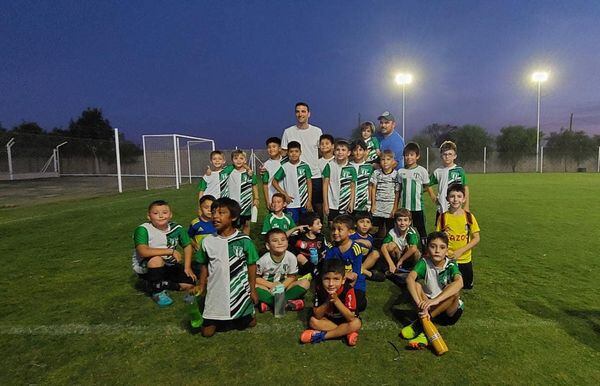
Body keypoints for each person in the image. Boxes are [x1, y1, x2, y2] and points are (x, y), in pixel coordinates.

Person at [195, 198, 259, 337]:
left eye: (221, 213)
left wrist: (252, 289)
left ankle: (240, 314)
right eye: (213, 213)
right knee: (207, 333)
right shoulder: (207, 241)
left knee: (249, 324)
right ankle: (219, 317)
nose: (215, 216)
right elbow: (204, 264)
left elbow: (252, 265)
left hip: (239, 291)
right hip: (216, 291)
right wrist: (201, 285)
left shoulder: (244, 240)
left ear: (233, 217)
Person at [401, 231, 464, 349]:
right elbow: (410, 278)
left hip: (449, 310)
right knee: (416, 286)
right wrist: (420, 304)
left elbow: (460, 282)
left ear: (446, 250)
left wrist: (435, 300)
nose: (437, 250)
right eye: (433, 246)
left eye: (442, 247)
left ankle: (419, 325)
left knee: (454, 290)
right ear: (427, 248)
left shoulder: (450, 264)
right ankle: (425, 325)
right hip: (428, 306)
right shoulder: (424, 262)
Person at [132, 200, 195, 307]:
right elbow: (143, 252)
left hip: (168, 264)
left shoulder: (177, 228)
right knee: (156, 259)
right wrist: (170, 251)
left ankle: (161, 284)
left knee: (190, 284)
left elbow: (187, 246)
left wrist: (187, 267)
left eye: (165, 213)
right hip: (147, 266)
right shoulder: (143, 229)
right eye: (156, 213)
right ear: (149, 216)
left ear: (170, 215)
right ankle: (157, 292)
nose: (161, 216)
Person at [299, 259, 362, 346]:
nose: (331, 284)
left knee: (356, 323)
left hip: (345, 321)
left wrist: (336, 301)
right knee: (313, 321)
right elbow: (317, 315)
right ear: (321, 278)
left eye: (336, 279)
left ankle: (321, 336)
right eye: (327, 279)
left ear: (343, 280)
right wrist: (328, 301)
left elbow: (351, 318)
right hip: (328, 321)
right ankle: (345, 333)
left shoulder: (348, 290)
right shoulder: (319, 288)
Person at [435, 183, 480, 289]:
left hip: (465, 259)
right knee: (448, 287)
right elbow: (438, 239)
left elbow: (477, 238)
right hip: (448, 259)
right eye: (452, 196)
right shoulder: (442, 218)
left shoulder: (469, 217)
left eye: (459, 196)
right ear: (447, 198)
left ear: (464, 199)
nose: (455, 199)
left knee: (466, 286)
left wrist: (460, 251)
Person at [255, 229, 310, 313]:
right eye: (275, 240)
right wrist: (272, 285)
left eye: (283, 240)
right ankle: (285, 304)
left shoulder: (291, 257)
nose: (280, 243)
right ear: (268, 246)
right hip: (268, 288)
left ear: (287, 242)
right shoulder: (263, 260)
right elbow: (255, 278)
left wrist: (281, 286)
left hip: (285, 286)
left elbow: (292, 276)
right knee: (252, 286)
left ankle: (271, 304)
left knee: (305, 282)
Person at [281, 102, 323, 209]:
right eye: (297, 111)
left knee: (317, 207)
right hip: (295, 177)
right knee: (299, 208)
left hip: (314, 175)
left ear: (309, 114)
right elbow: (283, 154)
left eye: (303, 111)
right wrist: (269, 167)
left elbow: (323, 152)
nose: (300, 114)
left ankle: (319, 226)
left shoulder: (317, 131)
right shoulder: (288, 132)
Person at [325, 215, 367, 313]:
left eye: (340, 230)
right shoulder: (331, 247)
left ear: (350, 232)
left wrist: (348, 291)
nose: (335, 233)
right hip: (336, 282)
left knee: (359, 305)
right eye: (333, 229)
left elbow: (355, 275)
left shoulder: (355, 248)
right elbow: (327, 269)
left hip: (354, 284)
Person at [397, 142, 434, 249]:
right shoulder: (401, 172)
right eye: (406, 155)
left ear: (417, 156)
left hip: (417, 207)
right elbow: (398, 190)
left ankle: (425, 250)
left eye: (412, 155)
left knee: (421, 229)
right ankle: (406, 249)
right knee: (405, 229)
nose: (409, 157)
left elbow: (427, 185)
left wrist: (432, 196)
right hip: (404, 209)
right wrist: (396, 206)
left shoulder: (422, 170)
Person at [272, 140, 313, 223]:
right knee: (293, 225)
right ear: (287, 153)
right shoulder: (284, 167)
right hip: (291, 203)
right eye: (291, 151)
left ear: (300, 152)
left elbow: (309, 183)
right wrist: (284, 195)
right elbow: (274, 182)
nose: (294, 154)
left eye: (296, 151)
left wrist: (309, 200)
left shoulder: (305, 166)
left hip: (304, 202)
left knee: (305, 224)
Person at [429, 140, 470, 216]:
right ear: (441, 155)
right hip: (441, 209)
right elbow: (427, 184)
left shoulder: (459, 170)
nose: (447, 156)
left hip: (456, 208)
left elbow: (465, 187)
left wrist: (466, 205)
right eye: (445, 154)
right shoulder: (438, 171)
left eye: (450, 154)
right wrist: (433, 197)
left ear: (455, 156)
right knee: (440, 227)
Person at [322, 140, 357, 224]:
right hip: (332, 204)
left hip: (345, 204)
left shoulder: (351, 168)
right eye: (338, 150)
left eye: (343, 150)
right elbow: (325, 186)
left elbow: (352, 187)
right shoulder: (329, 165)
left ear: (348, 153)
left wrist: (351, 203)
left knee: (344, 227)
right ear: (334, 152)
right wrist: (326, 204)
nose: (340, 152)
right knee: (332, 226)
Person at [226, 149, 259, 235]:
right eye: (236, 158)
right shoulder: (230, 170)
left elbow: (254, 185)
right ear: (232, 160)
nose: (238, 160)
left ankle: (245, 239)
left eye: (241, 158)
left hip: (246, 203)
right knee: (233, 224)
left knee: (246, 224)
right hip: (233, 204)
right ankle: (233, 239)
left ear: (245, 160)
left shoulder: (250, 174)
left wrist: (256, 198)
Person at [380, 209, 421, 275]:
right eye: (399, 220)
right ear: (395, 222)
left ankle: (414, 270)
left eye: (405, 220)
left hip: (406, 257)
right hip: (396, 255)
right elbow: (383, 247)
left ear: (410, 222)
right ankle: (391, 266)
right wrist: (391, 263)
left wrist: (401, 260)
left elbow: (413, 248)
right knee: (390, 245)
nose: (402, 223)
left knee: (416, 252)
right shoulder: (392, 231)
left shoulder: (411, 232)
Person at [288, 212, 329, 278]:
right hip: (303, 267)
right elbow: (282, 237)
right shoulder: (299, 237)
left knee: (325, 255)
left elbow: (326, 249)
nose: (321, 225)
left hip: (318, 264)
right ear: (309, 227)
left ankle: (318, 272)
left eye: (320, 223)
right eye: (318, 223)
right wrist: (295, 229)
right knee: (299, 256)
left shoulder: (321, 237)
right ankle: (315, 272)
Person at [369, 150, 399, 239]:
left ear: (393, 161)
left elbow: (397, 192)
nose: (385, 162)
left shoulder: (396, 174)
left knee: (390, 228)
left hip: (390, 206)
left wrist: (395, 208)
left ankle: (388, 245)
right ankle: (377, 245)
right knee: (378, 227)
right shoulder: (376, 173)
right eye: (382, 159)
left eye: (388, 159)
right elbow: (373, 188)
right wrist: (373, 204)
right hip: (378, 205)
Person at [350, 212, 385, 282]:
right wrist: (359, 241)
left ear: (371, 225)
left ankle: (360, 270)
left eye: (368, 222)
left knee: (376, 253)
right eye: (361, 222)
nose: (365, 225)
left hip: (364, 263)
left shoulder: (370, 237)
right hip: (352, 261)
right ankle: (366, 273)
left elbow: (371, 254)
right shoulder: (352, 235)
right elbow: (345, 244)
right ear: (355, 224)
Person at [350, 139, 374, 217]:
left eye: (360, 150)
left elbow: (370, 186)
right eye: (355, 150)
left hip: (364, 202)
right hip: (350, 202)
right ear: (351, 152)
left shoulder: (369, 167)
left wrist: (370, 202)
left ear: (365, 151)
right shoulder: (348, 165)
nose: (358, 153)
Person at [260, 136, 284, 208]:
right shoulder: (265, 165)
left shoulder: (285, 162)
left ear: (279, 148)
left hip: (285, 198)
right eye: (269, 147)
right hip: (273, 198)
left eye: (274, 146)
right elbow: (265, 184)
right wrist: (268, 201)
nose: (271, 149)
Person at [315, 134, 335, 217]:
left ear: (333, 146)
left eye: (327, 143)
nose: (324, 146)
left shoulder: (336, 160)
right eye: (322, 144)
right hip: (321, 191)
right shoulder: (317, 162)